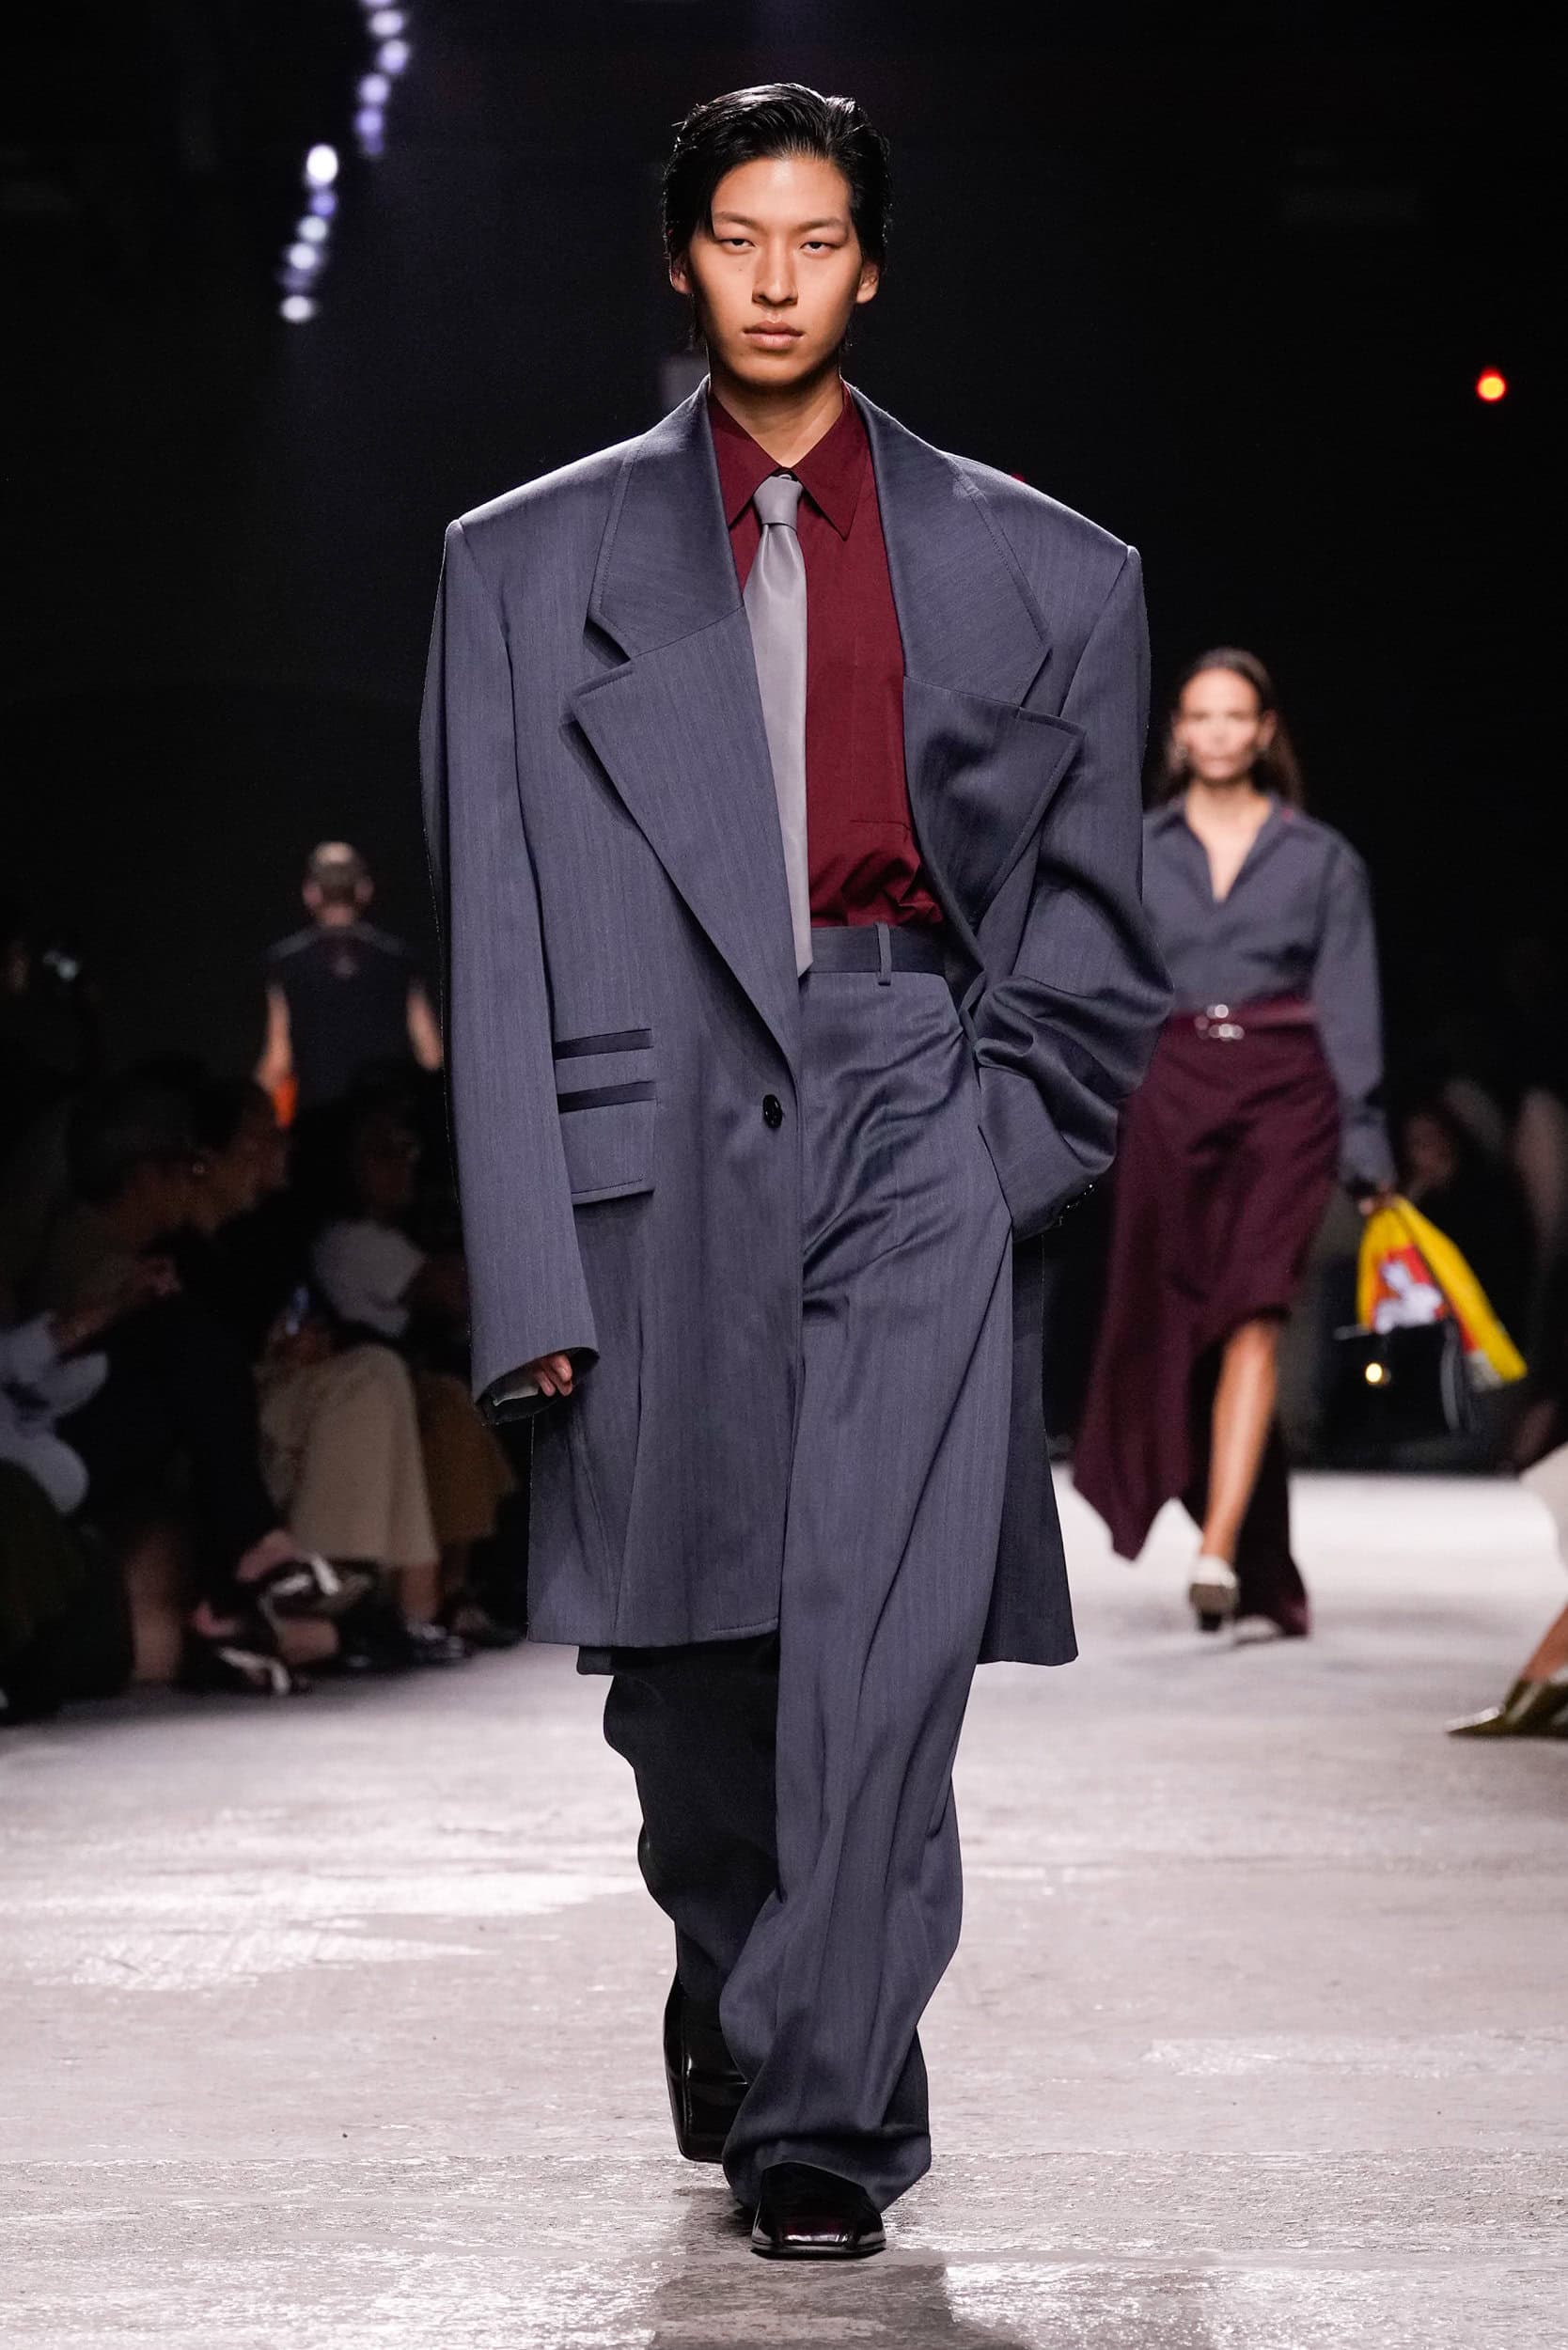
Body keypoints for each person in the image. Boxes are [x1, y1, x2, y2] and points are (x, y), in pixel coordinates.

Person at [421, 83, 1168, 2256]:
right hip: (649, 1138)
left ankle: (823, 2117)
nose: (774, 279)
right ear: (683, 258)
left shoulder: (1050, 570)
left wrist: (991, 1145)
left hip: (912, 1098)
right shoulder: (520, 563)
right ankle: (747, 1973)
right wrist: (532, 1272)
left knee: (885, 1648)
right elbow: (491, 933)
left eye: (815, 239)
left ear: (871, 265)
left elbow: (1089, 936)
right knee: (692, 1686)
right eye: (737, 236)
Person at [1075, 649, 1394, 1641]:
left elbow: (1348, 1003)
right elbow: (1102, 985)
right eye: (1199, 715)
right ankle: (1266, 1573)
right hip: (1168, 1091)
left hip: (1285, 1096)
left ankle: (1215, 1549)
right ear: (1179, 732)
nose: (1216, 731)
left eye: (1235, 715)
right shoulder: (1137, 850)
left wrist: (1367, 1141)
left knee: (1254, 1310)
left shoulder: (1321, 860)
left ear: (1264, 732)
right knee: (1170, 1331)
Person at [256, 842, 443, 1118]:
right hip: (387, 1120)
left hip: (320, 1121)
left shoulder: (285, 965)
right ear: (364, 889)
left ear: (311, 893)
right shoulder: (399, 960)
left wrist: (243, 1117)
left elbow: (277, 1061)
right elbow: (430, 1053)